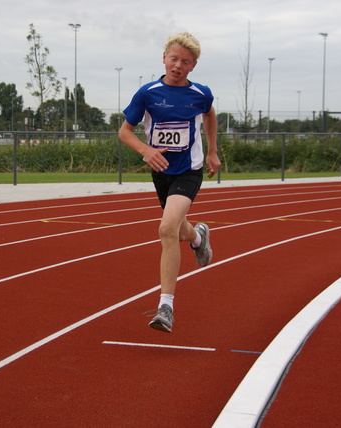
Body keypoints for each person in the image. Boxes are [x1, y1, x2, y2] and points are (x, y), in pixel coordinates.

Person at [118, 32, 221, 333]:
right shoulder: (147, 93)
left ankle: (166, 306)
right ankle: (199, 237)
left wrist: (213, 150)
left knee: (166, 228)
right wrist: (146, 150)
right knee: (178, 229)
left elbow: (210, 113)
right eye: (173, 59)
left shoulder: (200, 94)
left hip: (189, 169)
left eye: (185, 62)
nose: (177, 65)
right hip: (161, 170)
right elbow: (124, 132)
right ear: (164, 58)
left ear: (193, 66)